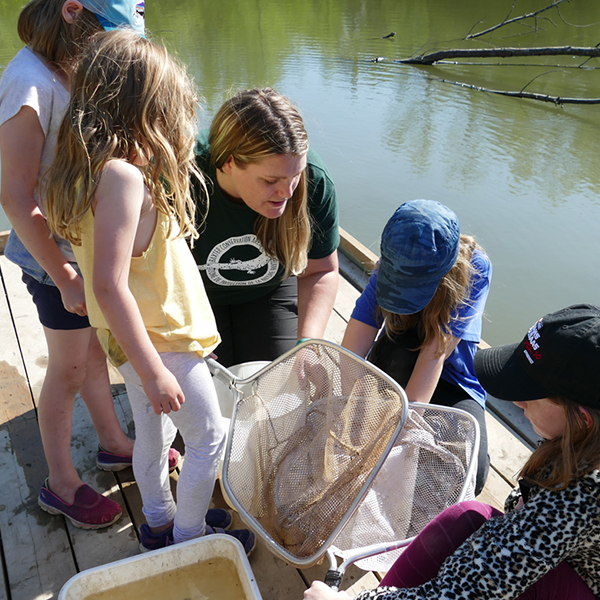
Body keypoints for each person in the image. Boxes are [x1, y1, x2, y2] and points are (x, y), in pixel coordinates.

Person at [44, 30, 254, 552]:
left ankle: (159, 521)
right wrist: (155, 368)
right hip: (162, 341)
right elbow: (109, 285)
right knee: (209, 438)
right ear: (142, 105)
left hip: (140, 340)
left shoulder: (95, 170)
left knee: (155, 435)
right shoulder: (122, 177)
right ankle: (189, 537)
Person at [306, 303, 600, 600]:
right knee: (469, 516)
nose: (517, 403)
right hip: (570, 560)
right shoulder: (582, 437)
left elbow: (471, 593)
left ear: (582, 419)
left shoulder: (582, 491)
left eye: (528, 393)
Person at [0, 0, 157, 530]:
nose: (112, 49)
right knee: (66, 369)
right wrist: (63, 273)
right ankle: (61, 483)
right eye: (108, 34)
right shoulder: (28, 82)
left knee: (92, 352)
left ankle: (113, 443)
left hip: (82, 254)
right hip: (55, 262)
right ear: (72, 12)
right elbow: (16, 195)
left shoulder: (75, 67)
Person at [341, 199, 492, 494]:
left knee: (477, 473)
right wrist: (346, 411)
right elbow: (352, 351)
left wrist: (401, 433)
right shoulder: (391, 262)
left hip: (452, 376)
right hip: (399, 356)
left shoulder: (476, 268)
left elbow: (435, 353)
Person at [191, 88, 339, 367]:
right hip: (194, 297)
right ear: (228, 162)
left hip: (268, 291)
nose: (287, 192)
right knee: (207, 387)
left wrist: (308, 344)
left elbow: (322, 270)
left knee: (274, 382)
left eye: (295, 175)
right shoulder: (181, 175)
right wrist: (179, 333)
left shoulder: (315, 181)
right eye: (271, 181)